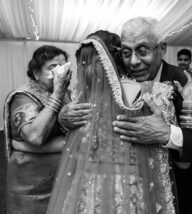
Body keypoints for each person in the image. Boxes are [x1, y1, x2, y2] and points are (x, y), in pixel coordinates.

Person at [58, 17, 192, 214]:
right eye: (127, 53)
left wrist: (168, 135)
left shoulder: (187, 81)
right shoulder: (113, 81)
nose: (134, 62)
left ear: (162, 49)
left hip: (184, 194)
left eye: (143, 51)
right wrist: (64, 118)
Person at [48, 30, 179, 214]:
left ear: (111, 61)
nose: (86, 70)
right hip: (85, 187)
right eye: (83, 63)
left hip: (126, 191)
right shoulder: (81, 97)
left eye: (94, 62)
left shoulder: (150, 93)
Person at [3, 45, 71, 213]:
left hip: (61, 178)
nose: (59, 72)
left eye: (63, 66)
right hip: (31, 187)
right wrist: (57, 94)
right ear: (36, 73)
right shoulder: (23, 96)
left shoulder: (67, 93)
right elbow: (34, 137)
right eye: (52, 67)